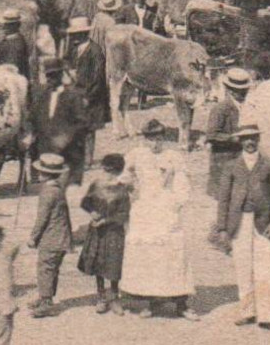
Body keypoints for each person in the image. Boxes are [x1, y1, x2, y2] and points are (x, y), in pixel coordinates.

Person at [212, 124, 270, 332]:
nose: (250, 142)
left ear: (258, 139)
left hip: (264, 224)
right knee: (242, 268)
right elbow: (223, 199)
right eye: (246, 139)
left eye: (253, 138)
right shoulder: (231, 166)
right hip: (239, 222)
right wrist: (223, 227)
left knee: (265, 269)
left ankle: (266, 316)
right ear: (240, 142)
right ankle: (247, 312)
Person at [120, 121, 196, 319]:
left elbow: (183, 184)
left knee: (174, 253)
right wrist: (131, 190)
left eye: (159, 138)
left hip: (167, 209)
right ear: (144, 139)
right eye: (150, 139)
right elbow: (123, 176)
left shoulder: (173, 156)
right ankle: (152, 301)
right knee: (152, 256)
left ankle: (181, 303)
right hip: (145, 210)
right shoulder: (136, 154)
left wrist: (176, 203)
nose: (155, 143)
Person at [76, 152, 130, 315]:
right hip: (96, 232)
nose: (107, 175)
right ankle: (101, 297)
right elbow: (85, 202)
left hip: (114, 232)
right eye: (105, 171)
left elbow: (123, 214)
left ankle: (114, 297)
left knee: (114, 264)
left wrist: (105, 220)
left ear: (118, 172)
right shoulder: (96, 185)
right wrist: (92, 212)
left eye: (111, 172)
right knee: (97, 262)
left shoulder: (122, 190)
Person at [26, 153, 74, 318]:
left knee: (45, 268)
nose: (38, 174)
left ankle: (47, 303)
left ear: (45, 174)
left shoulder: (48, 192)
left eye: (40, 172)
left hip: (52, 237)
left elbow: (42, 218)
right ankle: (44, 297)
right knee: (52, 269)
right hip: (61, 237)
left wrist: (33, 237)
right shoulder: (58, 188)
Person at [65, 16, 109, 162]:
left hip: (91, 95)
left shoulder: (95, 51)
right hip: (76, 93)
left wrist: (88, 97)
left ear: (83, 34)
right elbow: (68, 66)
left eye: (76, 34)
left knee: (89, 129)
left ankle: (88, 158)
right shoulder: (74, 49)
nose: (73, 37)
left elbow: (98, 78)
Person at [206, 68, 251, 200]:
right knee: (225, 199)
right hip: (223, 160)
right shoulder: (221, 108)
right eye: (239, 90)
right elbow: (211, 135)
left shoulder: (248, 106)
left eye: (245, 90)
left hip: (242, 159)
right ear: (230, 90)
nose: (243, 93)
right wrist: (234, 139)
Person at [0, 9, 30, 80]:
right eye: (5, 24)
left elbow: (11, 67)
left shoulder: (16, 43)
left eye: (8, 25)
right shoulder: (7, 40)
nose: (4, 27)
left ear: (16, 25)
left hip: (10, 81)